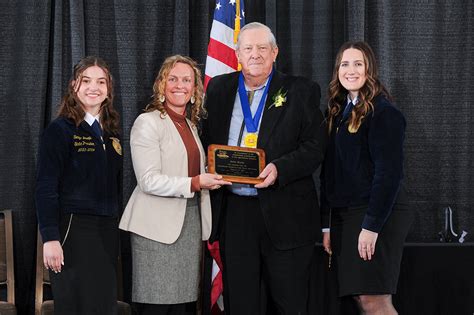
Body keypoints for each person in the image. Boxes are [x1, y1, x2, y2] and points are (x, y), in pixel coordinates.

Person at [202, 22, 325, 314]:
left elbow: (315, 147)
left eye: (262, 48)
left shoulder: (301, 90)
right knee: (241, 302)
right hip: (235, 214)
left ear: (275, 52)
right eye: (248, 48)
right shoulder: (218, 88)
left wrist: (279, 169)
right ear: (238, 54)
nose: (255, 54)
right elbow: (206, 139)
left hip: (286, 214)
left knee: (289, 303)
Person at [119, 55, 230, 315]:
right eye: (173, 79)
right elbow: (148, 180)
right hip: (156, 230)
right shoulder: (147, 123)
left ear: (194, 89)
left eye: (187, 80)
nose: (180, 85)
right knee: (156, 306)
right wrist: (195, 182)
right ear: (162, 85)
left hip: (190, 225)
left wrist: (211, 178)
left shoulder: (190, 125)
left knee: (183, 306)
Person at [320, 41, 413, 314]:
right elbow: (330, 172)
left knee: (375, 300)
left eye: (358, 64)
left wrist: (371, 227)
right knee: (361, 298)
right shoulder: (337, 112)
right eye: (345, 64)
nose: (351, 70)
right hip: (347, 216)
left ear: (369, 69)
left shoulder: (384, 113)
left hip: (377, 214)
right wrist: (326, 225)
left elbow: (389, 174)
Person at [35, 56, 122, 314]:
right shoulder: (60, 130)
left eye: (101, 82)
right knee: (75, 306)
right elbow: (45, 187)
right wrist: (50, 237)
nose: (93, 87)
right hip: (72, 230)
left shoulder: (112, 133)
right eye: (86, 81)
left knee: (103, 307)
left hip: (106, 231)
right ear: (74, 85)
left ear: (108, 90)